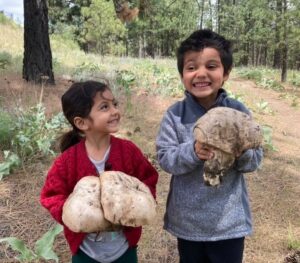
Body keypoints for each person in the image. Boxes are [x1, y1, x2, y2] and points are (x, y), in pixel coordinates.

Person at [156, 29, 263, 263]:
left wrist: (241, 150)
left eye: (211, 66)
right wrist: (192, 152)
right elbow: (164, 158)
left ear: (225, 73)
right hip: (188, 221)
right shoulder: (175, 115)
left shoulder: (239, 112)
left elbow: (255, 160)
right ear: (182, 73)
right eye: (191, 67)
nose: (201, 74)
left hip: (229, 222)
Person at [40, 80, 158, 263]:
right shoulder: (67, 161)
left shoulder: (129, 151)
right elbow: (51, 195)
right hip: (86, 252)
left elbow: (148, 178)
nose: (115, 111)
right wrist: (72, 212)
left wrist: (137, 203)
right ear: (81, 122)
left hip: (124, 248)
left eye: (114, 104)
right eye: (104, 107)